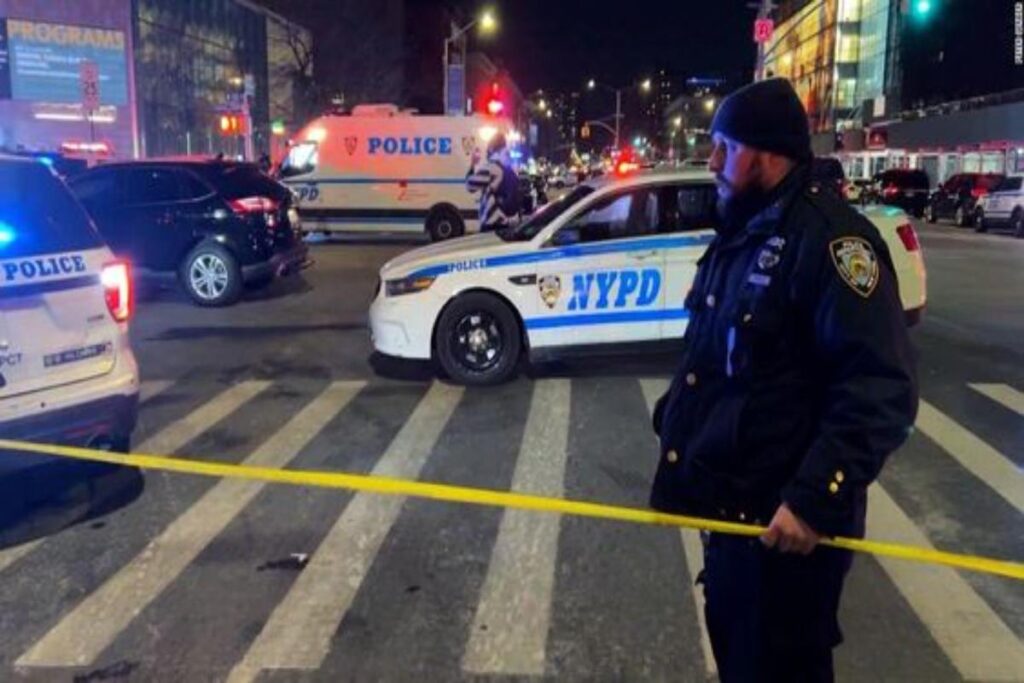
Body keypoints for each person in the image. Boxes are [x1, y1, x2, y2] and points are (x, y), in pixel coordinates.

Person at [649, 78, 918, 682]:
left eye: (725, 146)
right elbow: (719, 359)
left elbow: (881, 387)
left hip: (785, 539)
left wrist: (813, 499)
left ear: (769, 154)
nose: (712, 162)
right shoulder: (743, 233)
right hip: (733, 525)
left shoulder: (832, 242)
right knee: (741, 662)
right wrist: (676, 420)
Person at [466, 133, 520, 231]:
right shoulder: (510, 169)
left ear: (491, 148)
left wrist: (473, 164)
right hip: (508, 222)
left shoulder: (492, 168)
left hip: (493, 223)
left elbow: (470, 186)